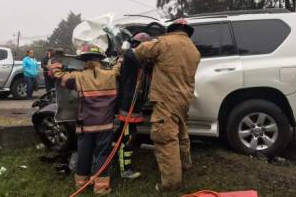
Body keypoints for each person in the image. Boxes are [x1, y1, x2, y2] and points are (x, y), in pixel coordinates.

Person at [127, 18, 200, 191]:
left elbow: (139, 52)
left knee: (165, 139)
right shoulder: (193, 49)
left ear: (171, 29)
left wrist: (127, 48)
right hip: (183, 99)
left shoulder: (164, 42)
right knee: (182, 134)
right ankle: (184, 165)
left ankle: (171, 183)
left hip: (166, 99)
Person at [50, 44, 120, 195]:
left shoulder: (77, 77)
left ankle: (81, 184)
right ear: (100, 60)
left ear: (83, 60)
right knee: (102, 154)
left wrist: (56, 61)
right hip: (105, 124)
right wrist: (122, 56)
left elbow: (59, 76)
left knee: (84, 154)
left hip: (85, 125)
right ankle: (101, 188)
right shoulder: (111, 75)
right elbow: (119, 67)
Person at [116, 32, 152, 180]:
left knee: (125, 133)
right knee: (127, 137)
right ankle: (125, 169)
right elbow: (134, 56)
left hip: (134, 103)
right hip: (128, 103)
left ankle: (112, 153)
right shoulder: (130, 55)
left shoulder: (140, 60)